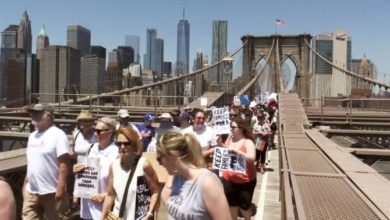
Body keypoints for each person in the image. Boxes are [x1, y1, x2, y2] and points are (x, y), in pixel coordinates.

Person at [157, 130, 231, 220]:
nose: (159, 164)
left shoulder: (207, 183)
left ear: (171, 155)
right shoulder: (177, 176)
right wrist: (172, 170)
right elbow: (166, 200)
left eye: (159, 159)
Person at [23, 104, 70, 220]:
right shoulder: (32, 136)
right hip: (31, 191)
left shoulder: (58, 134)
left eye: (37, 113)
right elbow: (31, 163)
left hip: (51, 190)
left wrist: (60, 187)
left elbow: (64, 163)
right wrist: (25, 184)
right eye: (32, 113)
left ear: (48, 116)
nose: (32, 115)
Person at [102, 127, 160, 220]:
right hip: (118, 217)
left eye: (126, 143)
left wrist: (149, 213)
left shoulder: (144, 165)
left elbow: (155, 191)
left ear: (133, 144)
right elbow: (110, 195)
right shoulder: (114, 166)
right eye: (119, 143)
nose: (122, 147)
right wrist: (102, 217)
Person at [73, 117, 119, 220]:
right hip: (87, 208)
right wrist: (78, 169)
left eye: (99, 131)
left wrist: (106, 195)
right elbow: (85, 172)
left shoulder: (116, 153)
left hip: (104, 210)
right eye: (94, 130)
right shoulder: (91, 148)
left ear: (110, 132)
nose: (95, 134)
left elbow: (122, 183)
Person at [220, 117, 257, 220]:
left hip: (245, 181)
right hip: (229, 179)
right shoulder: (230, 138)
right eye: (231, 127)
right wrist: (220, 144)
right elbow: (226, 152)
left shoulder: (248, 142)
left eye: (233, 127)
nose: (231, 129)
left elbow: (251, 157)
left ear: (240, 128)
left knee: (244, 208)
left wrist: (237, 152)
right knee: (232, 206)